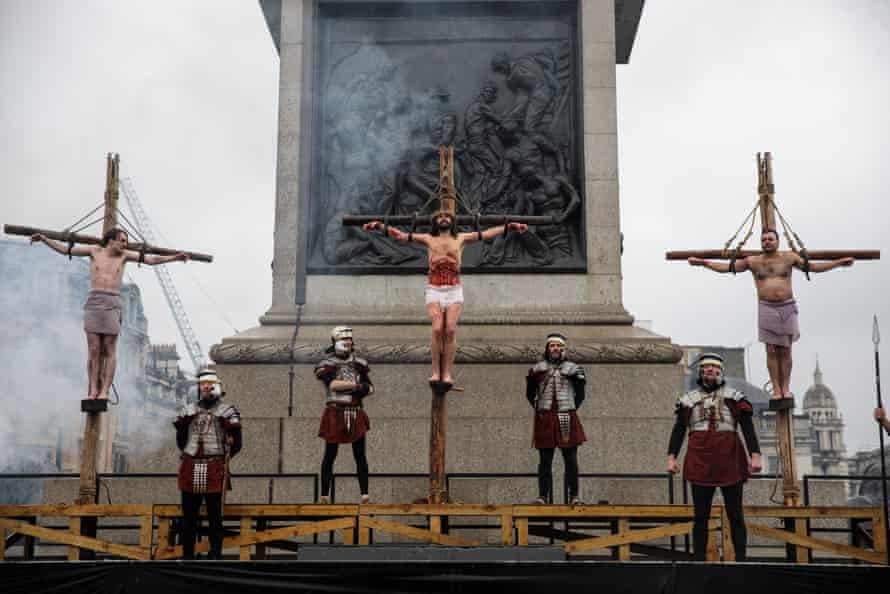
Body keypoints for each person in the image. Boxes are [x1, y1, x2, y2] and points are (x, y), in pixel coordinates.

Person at [688, 229, 853, 402]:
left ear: (777, 241)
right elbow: (728, 268)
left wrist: (838, 263)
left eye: (770, 239)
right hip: (766, 307)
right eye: (764, 239)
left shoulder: (789, 258)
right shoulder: (753, 261)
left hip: (787, 306)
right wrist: (704, 263)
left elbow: (812, 267)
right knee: (771, 350)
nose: (767, 242)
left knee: (786, 349)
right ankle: (776, 388)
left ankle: (785, 388)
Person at [362, 213, 528, 385]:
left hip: (454, 289)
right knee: (436, 329)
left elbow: (486, 234)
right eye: (439, 216)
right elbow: (401, 236)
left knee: (449, 329)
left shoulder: (461, 238)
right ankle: (435, 372)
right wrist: (380, 226)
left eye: (446, 216)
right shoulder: (428, 239)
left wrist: (509, 227)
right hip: (434, 289)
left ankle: (447, 373)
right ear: (434, 221)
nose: (443, 218)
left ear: (452, 221)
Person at [31, 228, 188, 400]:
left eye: (125, 241)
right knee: (93, 350)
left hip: (113, 301)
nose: (125, 244)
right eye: (122, 240)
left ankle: (105, 391)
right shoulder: (94, 251)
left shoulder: (125, 256)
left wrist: (174, 258)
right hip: (94, 301)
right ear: (110, 240)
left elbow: (152, 260)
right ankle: (92, 390)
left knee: (109, 349)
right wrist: (45, 239)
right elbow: (64, 250)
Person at [667, 353, 762, 561]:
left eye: (714, 367)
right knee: (700, 516)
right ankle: (699, 560)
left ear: (721, 371)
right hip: (700, 459)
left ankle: (741, 560)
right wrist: (672, 457)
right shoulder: (688, 401)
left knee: (735, 514)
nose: (710, 370)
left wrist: (755, 455)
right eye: (706, 367)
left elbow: (747, 429)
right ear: (701, 372)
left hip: (729, 459)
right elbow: (679, 430)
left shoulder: (735, 398)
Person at [174, 369, 242, 560]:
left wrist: (222, 460)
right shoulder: (187, 411)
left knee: (215, 517)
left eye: (210, 383)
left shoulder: (228, 411)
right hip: (190, 465)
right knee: (189, 518)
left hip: (215, 466)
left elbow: (237, 444)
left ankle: (215, 555)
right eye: (203, 384)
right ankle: (187, 556)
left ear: (218, 386)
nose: (206, 387)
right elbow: (181, 441)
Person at [314, 326, 374, 504]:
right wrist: (356, 386)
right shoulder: (327, 364)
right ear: (335, 342)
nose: (347, 343)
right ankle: (325, 495)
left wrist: (359, 387)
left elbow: (370, 388)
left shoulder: (360, 364)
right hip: (335, 411)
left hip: (355, 410)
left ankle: (365, 494)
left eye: (349, 340)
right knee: (330, 454)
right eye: (343, 340)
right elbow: (332, 385)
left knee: (360, 455)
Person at [526, 333, 587, 505]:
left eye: (559, 346)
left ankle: (574, 496)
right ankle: (543, 496)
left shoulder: (575, 370)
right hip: (545, 417)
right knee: (545, 459)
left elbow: (581, 395)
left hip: (566, 414)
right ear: (547, 348)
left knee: (571, 459)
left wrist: (569, 409)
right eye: (552, 346)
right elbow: (530, 394)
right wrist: (542, 410)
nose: (556, 349)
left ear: (564, 349)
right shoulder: (537, 370)